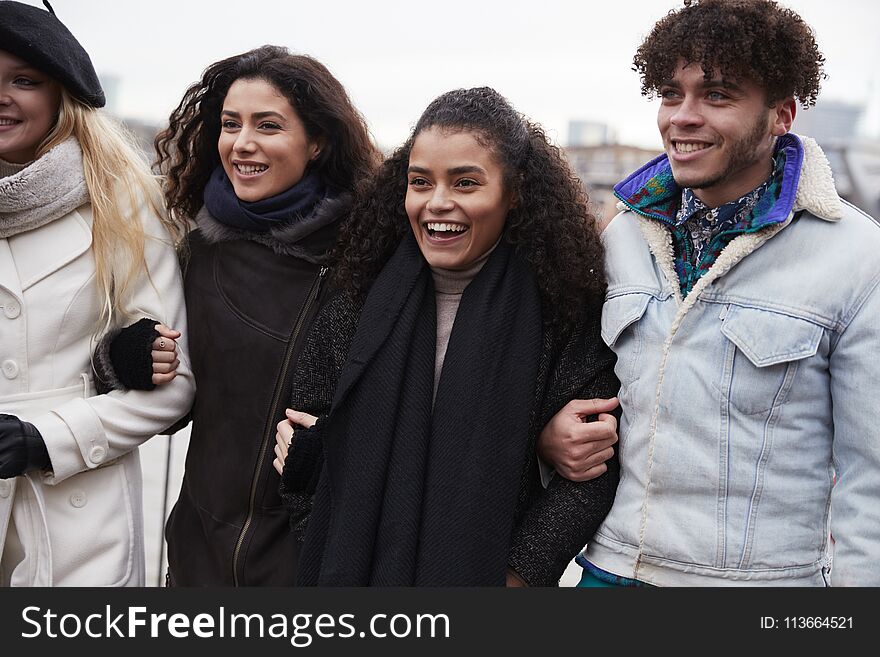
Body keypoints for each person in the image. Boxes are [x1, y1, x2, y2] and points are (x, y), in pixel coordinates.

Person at [539, 0, 880, 586]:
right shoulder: (622, 235)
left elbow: (870, 477)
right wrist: (547, 437)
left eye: (717, 96)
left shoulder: (856, 257)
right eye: (672, 95)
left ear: (781, 115)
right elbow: (573, 381)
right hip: (605, 572)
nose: (683, 117)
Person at [274, 87, 620, 586]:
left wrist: (517, 576)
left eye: (465, 183)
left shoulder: (564, 311)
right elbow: (302, 450)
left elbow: (590, 475)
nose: (438, 203)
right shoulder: (356, 299)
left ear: (514, 192)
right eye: (421, 182)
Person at [137, 45, 379, 586]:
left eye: (267, 126)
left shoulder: (366, 257)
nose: (242, 143)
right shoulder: (193, 247)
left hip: (311, 557)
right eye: (230, 124)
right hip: (198, 552)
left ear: (316, 142)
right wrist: (129, 359)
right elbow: (174, 405)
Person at [0, 1, 194, 586]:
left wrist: (46, 439)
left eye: (24, 81)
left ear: (62, 96)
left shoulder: (122, 204)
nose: (3, 96)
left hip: (80, 530)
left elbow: (175, 385)